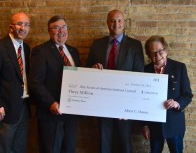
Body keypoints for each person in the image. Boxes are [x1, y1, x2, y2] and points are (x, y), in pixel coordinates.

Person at [86, 9, 144, 153]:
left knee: (125, 144)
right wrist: (92, 68)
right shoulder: (97, 44)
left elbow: (139, 75)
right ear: (107, 23)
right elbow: (86, 70)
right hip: (102, 104)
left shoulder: (135, 45)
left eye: (119, 20)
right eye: (112, 20)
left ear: (124, 24)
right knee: (103, 144)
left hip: (125, 106)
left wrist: (131, 105)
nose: (116, 24)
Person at [29, 15, 81, 153]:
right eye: (56, 28)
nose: (61, 31)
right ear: (49, 31)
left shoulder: (73, 52)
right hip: (51, 115)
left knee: (69, 149)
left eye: (63, 27)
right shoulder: (40, 51)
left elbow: (79, 80)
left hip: (71, 115)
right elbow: (35, 82)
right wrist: (51, 103)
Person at [0, 12, 31, 153]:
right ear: (11, 27)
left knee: (19, 148)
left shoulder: (26, 48)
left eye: (27, 24)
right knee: (4, 149)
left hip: (23, 107)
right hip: (4, 110)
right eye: (19, 24)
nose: (23, 28)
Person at [142, 35, 193, 153]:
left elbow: (187, 95)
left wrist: (177, 103)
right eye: (153, 53)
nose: (158, 56)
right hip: (154, 125)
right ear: (149, 55)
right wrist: (144, 125)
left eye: (160, 51)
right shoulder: (145, 70)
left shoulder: (180, 67)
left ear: (166, 50)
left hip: (175, 123)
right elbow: (142, 100)